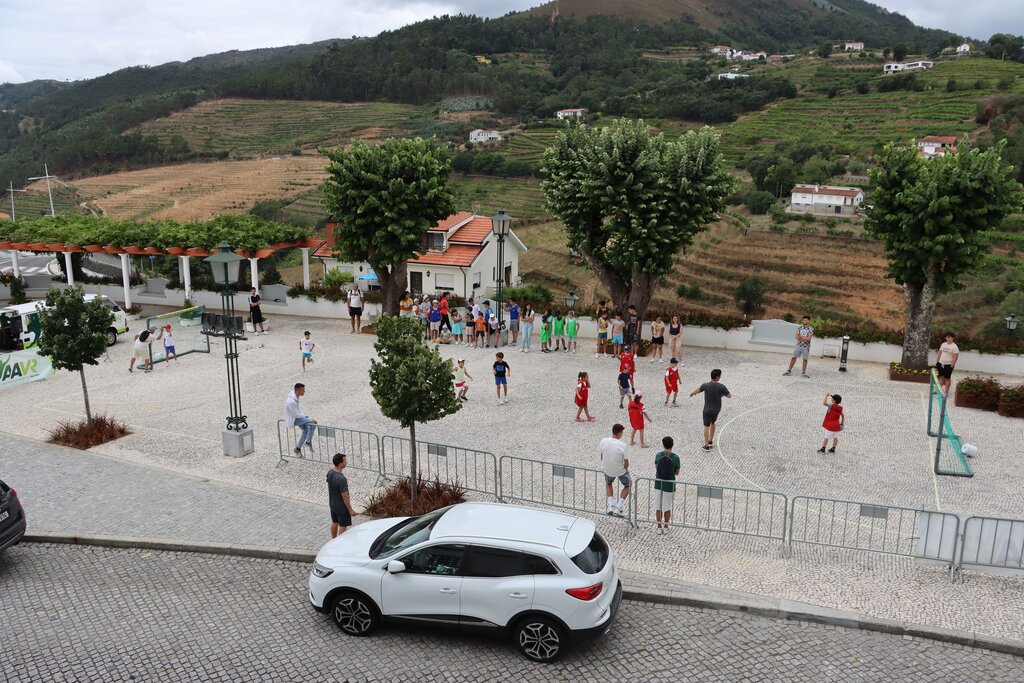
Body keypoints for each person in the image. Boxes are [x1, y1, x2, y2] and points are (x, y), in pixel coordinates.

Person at [690, 369, 732, 451]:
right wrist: (721, 394)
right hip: (716, 410)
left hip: (707, 410)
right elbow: (729, 396)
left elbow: (698, 390)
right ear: (717, 377)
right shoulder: (722, 387)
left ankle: (706, 446)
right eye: (720, 376)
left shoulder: (705, 385)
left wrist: (692, 393)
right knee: (713, 423)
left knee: (706, 426)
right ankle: (710, 441)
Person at [600, 424, 630, 517]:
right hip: (619, 469)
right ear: (619, 433)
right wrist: (625, 467)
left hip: (607, 468)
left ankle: (610, 505)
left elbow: (601, 456)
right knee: (628, 485)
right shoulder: (623, 445)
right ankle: (619, 506)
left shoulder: (603, 441)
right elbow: (626, 463)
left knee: (608, 483)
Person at [653, 436, 681, 535]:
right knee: (667, 506)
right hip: (669, 485)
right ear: (672, 445)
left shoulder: (658, 455)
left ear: (663, 444)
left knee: (658, 506)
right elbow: (677, 472)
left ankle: (659, 527)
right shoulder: (676, 457)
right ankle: (666, 526)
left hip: (658, 484)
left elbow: (657, 468)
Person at [327, 452, 356, 538]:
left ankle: (333, 540)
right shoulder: (341, 479)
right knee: (342, 525)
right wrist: (350, 510)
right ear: (340, 464)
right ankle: (339, 542)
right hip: (341, 507)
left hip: (332, 504)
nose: (346, 462)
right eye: (345, 461)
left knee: (334, 522)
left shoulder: (330, 472)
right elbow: (345, 496)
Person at [284, 382, 317, 457]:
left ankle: (298, 448)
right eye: (303, 390)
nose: (304, 391)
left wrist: (306, 417)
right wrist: (309, 419)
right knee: (313, 423)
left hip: (296, 417)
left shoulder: (295, 396)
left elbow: (298, 410)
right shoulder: (291, 401)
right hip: (294, 419)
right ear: (298, 390)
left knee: (307, 429)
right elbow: (296, 414)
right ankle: (308, 442)